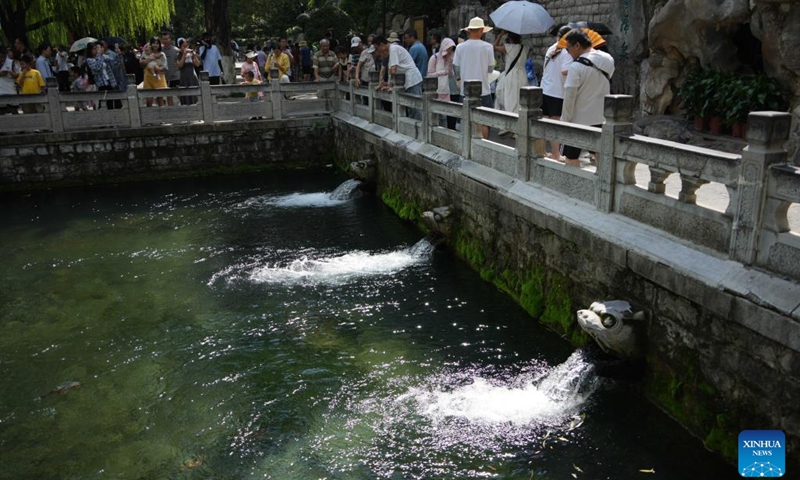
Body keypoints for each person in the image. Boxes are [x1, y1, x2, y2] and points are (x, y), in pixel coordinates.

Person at [560, 28, 615, 167]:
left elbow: (569, 98)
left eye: (568, 48)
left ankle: (574, 187)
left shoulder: (576, 67)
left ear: (577, 45)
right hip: (601, 118)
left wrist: (564, 122)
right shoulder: (608, 59)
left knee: (571, 158)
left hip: (577, 121)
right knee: (600, 155)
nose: (568, 52)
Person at [453, 16, 495, 139]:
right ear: (482, 30)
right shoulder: (488, 47)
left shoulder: (460, 47)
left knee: (466, 121)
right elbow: (490, 69)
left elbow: (456, 68)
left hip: (465, 90)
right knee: (484, 122)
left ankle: (466, 149)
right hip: (484, 90)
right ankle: (484, 149)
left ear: (469, 31)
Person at [541, 25, 573, 159]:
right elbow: (565, 71)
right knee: (555, 123)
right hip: (557, 92)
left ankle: (542, 151)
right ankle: (555, 153)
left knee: (543, 121)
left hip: (545, 89)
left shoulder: (551, 48)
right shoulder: (567, 52)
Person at [373, 34, 423, 119]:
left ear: (382, 44)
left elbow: (393, 69)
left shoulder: (393, 49)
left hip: (412, 79)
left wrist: (390, 85)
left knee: (415, 108)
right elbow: (390, 70)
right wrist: (386, 84)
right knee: (410, 108)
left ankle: (419, 130)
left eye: (377, 48)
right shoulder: (391, 51)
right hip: (407, 80)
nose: (378, 51)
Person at [493, 30, 528, 136]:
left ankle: (508, 126)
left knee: (509, 100)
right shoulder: (525, 48)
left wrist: (500, 35)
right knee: (519, 102)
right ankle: (518, 130)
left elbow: (493, 47)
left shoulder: (508, 47)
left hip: (511, 76)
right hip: (522, 75)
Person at [427, 37, 457, 128]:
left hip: (446, 90)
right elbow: (429, 74)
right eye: (448, 49)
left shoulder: (449, 58)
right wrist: (442, 73)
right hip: (436, 90)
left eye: (451, 49)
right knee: (436, 115)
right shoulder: (434, 58)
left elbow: (450, 75)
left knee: (444, 115)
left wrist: (450, 66)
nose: (449, 51)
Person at [139, 37, 168, 107]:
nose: (155, 45)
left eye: (157, 43)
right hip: (148, 78)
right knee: (149, 100)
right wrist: (149, 59)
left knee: (160, 99)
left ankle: (161, 116)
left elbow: (165, 67)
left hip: (159, 78)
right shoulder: (145, 52)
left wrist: (158, 69)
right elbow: (141, 64)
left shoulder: (162, 54)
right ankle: (149, 116)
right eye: (153, 43)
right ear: (150, 44)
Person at [176, 38, 200, 105]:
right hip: (184, 76)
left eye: (187, 46)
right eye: (183, 46)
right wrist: (184, 55)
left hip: (192, 75)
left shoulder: (191, 55)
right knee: (185, 93)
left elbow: (197, 64)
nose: (186, 48)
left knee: (194, 92)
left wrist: (194, 56)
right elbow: (180, 65)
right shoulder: (178, 55)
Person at [161, 32, 181, 106]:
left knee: (180, 94)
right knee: (168, 95)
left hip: (175, 75)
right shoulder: (160, 51)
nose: (165, 41)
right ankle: (171, 110)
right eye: (163, 39)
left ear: (170, 40)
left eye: (167, 39)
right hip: (165, 76)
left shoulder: (176, 50)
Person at [0, 46, 21, 114]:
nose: (2, 58)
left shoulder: (13, 63)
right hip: (1, 92)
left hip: (10, 91)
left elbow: (18, 75)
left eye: (3, 56)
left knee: (13, 112)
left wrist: (12, 74)